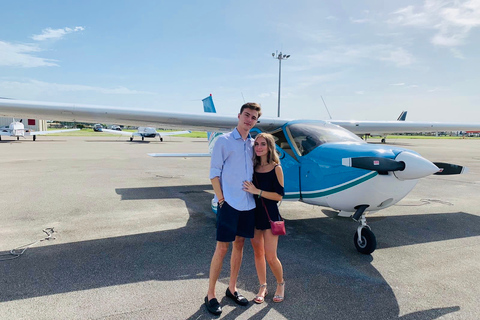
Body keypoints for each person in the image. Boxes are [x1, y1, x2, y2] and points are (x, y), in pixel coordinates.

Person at [205, 102, 262, 316]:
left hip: (248, 205)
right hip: (229, 204)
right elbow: (214, 173)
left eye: (253, 117)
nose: (249, 120)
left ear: (256, 121)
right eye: (246, 115)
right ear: (239, 116)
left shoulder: (255, 144)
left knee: (239, 246)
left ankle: (232, 288)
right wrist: (221, 200)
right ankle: (210, 294)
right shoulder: (223, 141)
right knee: (222, 248)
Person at [243, 133, 285, 304]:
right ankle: (263, 286)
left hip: (270, 215)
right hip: (254, 214)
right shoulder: (252, 167)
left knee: (270, 256)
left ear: (269, 147)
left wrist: (257, 192)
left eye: (263, 144)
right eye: (257, 144)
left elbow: (279, 196)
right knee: (257, 253)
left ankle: (281, 284)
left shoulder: (276, 168)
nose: (258, 147)